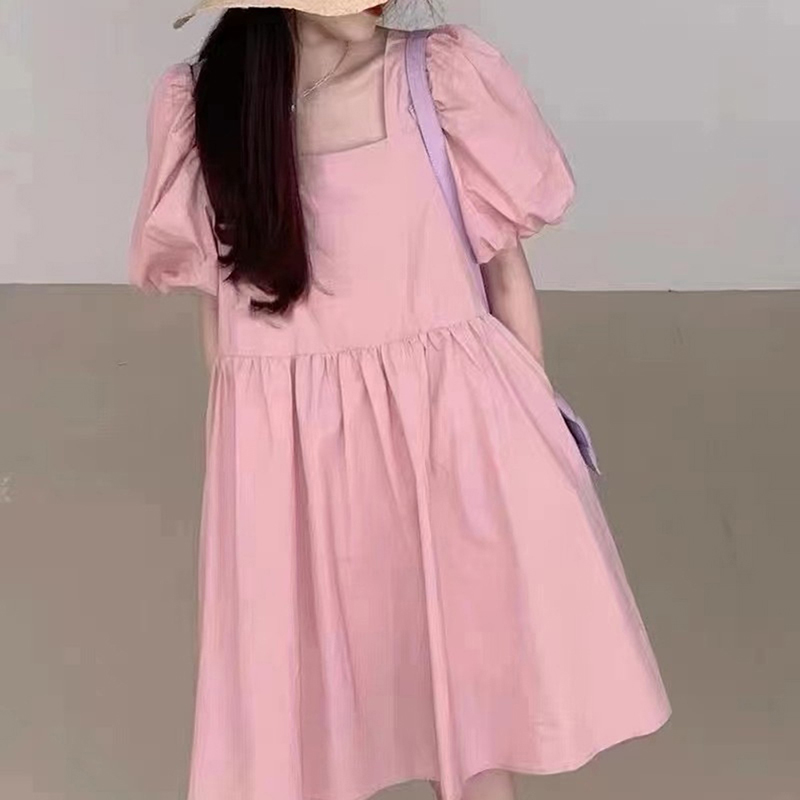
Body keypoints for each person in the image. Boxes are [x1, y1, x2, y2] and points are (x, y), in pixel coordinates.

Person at [128, 3, 672, 800]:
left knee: (473, 716)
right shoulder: (207, 109)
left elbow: (506, 280)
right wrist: (247, 477)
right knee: (308, 720)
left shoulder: (436, 79)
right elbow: (224, 333)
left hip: (452, 444)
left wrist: (533, 440)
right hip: (294, 469)